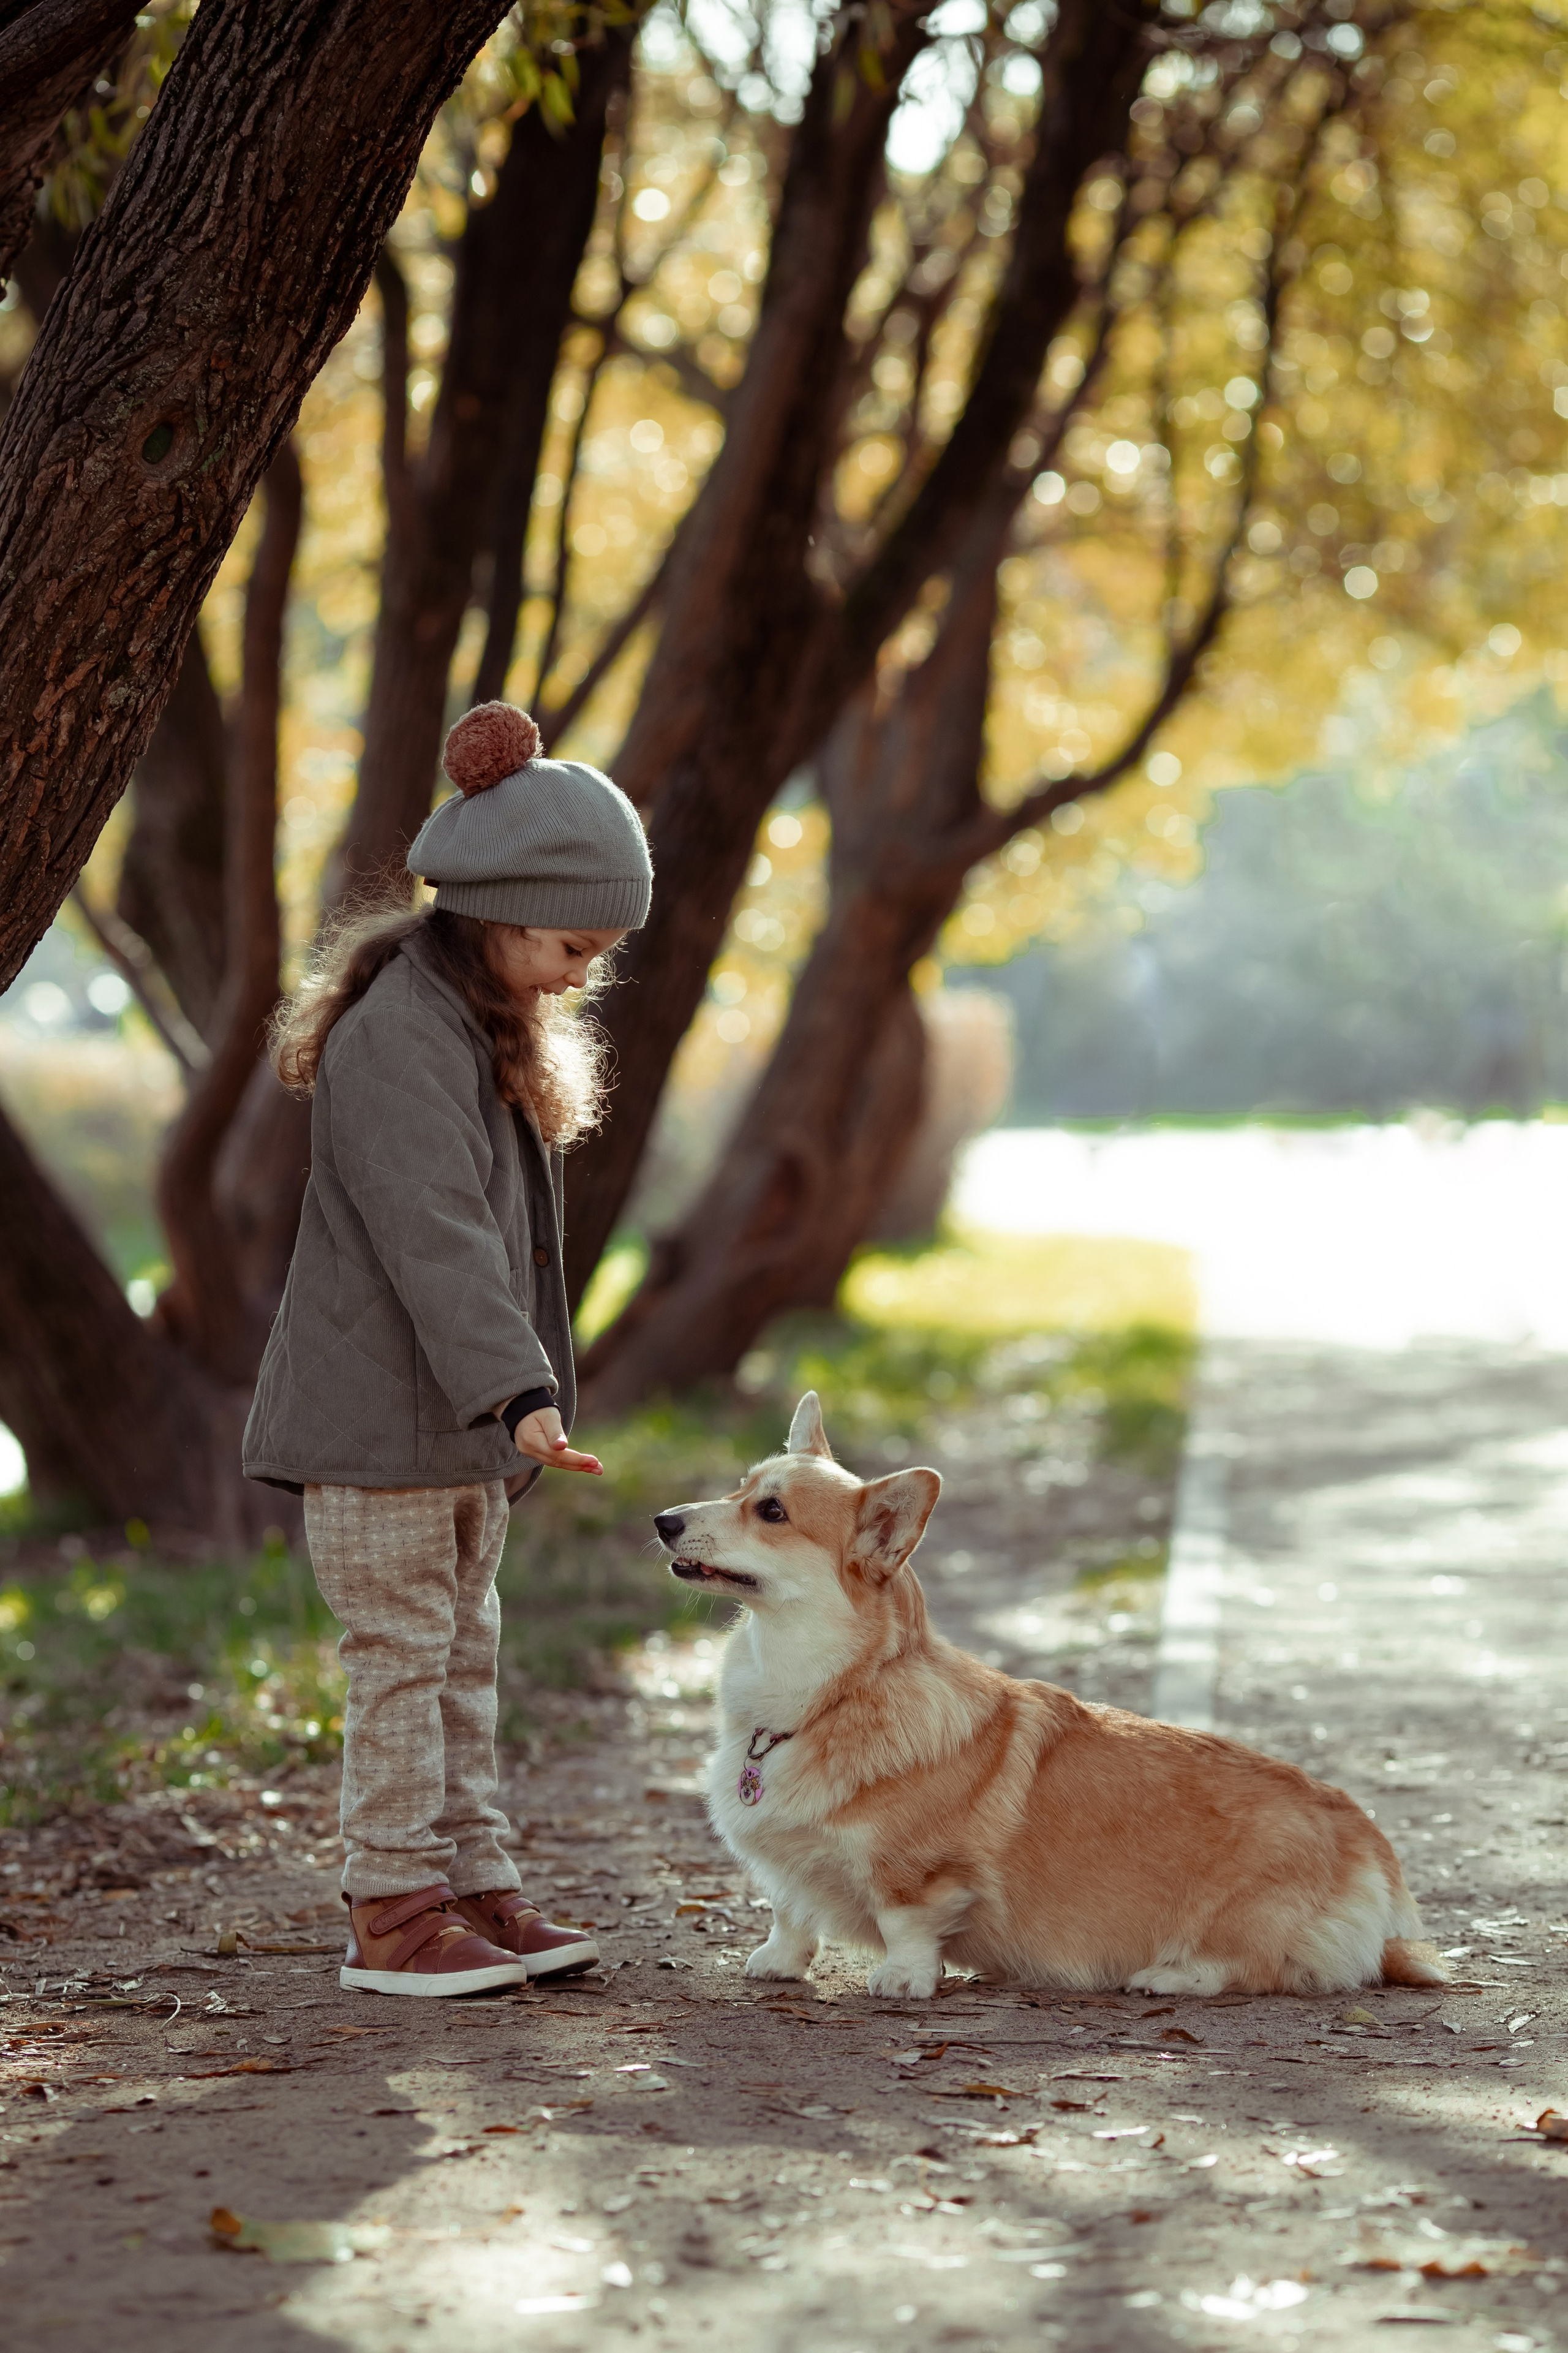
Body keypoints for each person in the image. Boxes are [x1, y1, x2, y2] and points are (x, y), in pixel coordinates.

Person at [243, 700, 652, 1997]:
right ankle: (394, 1908)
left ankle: (473, 1880)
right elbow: (435, 1238)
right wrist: (517, 1387)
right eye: (573, 944)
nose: (584, 972)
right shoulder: (397, 1041)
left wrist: (501, 1404)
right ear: (501, 908)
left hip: (456, 1430)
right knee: (402, 1665)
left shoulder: (479, 1027)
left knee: (463, 1657)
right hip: (378, 1429)